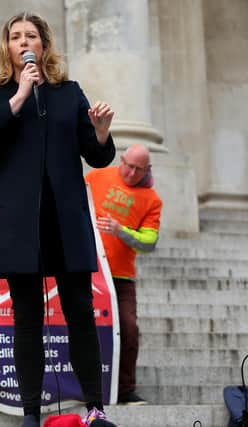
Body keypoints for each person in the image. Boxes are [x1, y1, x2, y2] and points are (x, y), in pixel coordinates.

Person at [0, 12, 116, 427]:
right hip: (20, 223)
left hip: (64, 219)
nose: (23, 42)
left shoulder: (69, 93)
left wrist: (101, 132)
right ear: (7, 47)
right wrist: (18, 97)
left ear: (44, 45)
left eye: (31, 36)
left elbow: (97, 154)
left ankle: (94, 408)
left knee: (80, 314)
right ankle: (31, 411)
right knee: (27, 318)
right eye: (15, 37)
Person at [85, 144, 162, 406]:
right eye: (127, 165)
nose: (130, 173)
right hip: (88, 269)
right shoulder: (96, 177)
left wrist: (122, 231)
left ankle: (125, 390)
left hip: (121, 277)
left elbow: (150, 242)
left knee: (129, 329)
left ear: (147, 170)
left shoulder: (152, 200)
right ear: (121, 159)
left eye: (138, 169)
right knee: (81, 328)